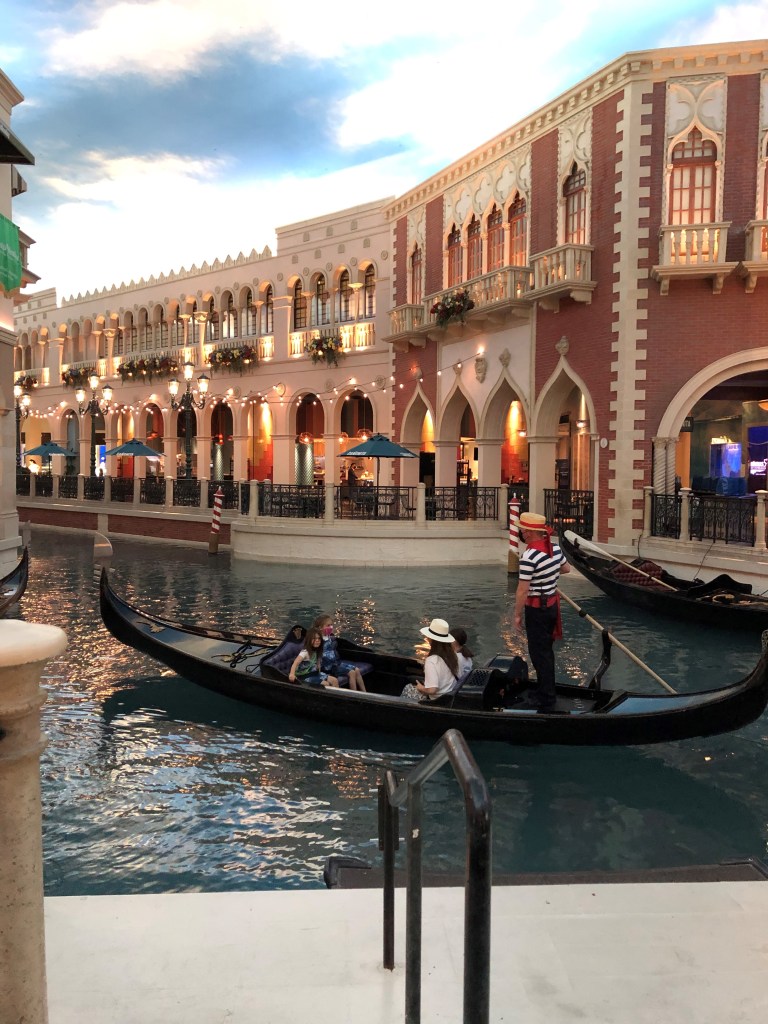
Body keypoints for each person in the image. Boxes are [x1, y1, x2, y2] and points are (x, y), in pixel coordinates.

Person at [513, 512, 570, 709]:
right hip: (552, 607)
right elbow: (566, 569)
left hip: (537, 611)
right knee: (546, 651)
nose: (521, 532)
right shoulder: (554, 548)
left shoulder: (528, 556)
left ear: (529, 532)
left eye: (522, 530)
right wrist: (549, 575)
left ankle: (546, 697)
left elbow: (522, 590)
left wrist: (517, 615)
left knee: (539, 653)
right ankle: (545, 690)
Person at [401, 618, 459, 700]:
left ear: (431, 639)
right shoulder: (452, 655)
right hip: (449, 697)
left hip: (437, 700)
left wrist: (420, 688)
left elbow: (432, 690)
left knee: (408, 687)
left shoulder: (432, 660)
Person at [312, 613, 367, 691]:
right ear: (320, 627)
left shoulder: (328, 637)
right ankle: (353, 694)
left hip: (335, 663)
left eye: (331, 625)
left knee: (357, 670)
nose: (331, 627)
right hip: (328, 667)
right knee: (352, 672)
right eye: (328, 625)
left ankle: (364, 692)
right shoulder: (318, 640)